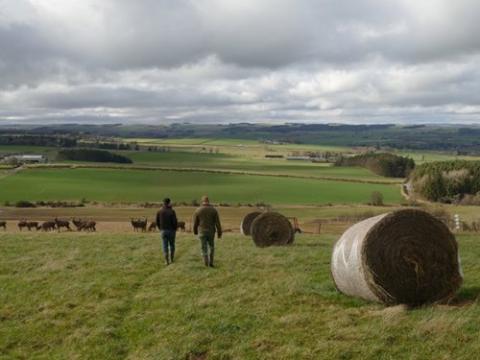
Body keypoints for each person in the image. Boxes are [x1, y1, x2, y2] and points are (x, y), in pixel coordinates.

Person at [193, 195, 222, 267]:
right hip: (211, 232)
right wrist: (219, 233)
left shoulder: (198, 210)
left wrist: (195, 231)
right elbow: (217, 223)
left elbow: (195, 223)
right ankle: (211, 262)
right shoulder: (213, 210)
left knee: (203, 247)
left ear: (202, 201)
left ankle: (206, 262)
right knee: (211, 247)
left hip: (202, 231)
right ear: (208, 201)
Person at [156, 198, 178, 265]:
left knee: (164, 246)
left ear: (163, 203)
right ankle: (171, 259)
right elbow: (175, 222)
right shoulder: (172, 211)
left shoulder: (159, 211)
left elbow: (157, 221)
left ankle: (166, 260)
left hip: (163, 231)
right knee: (172, 245)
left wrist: (160, 228)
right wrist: (175, 229)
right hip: (171, 231)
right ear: (169, 203)